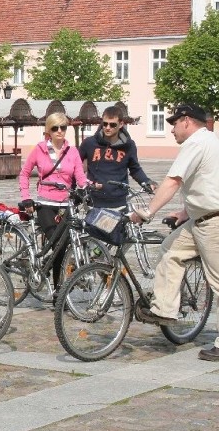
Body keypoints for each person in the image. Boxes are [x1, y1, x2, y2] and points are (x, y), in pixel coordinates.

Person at [130, 104, 219, 362]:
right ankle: (165, 309)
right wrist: (184, 212)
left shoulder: (195, 143)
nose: (171, 129)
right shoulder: (210, 141)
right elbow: (208, 184)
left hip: (213, 223)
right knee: (170, 249)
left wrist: (148, 211)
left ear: (187, 121)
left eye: (174, 123)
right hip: (200, 219)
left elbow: (173, 181)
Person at [19, 112, 88, 298]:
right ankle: (57, 285)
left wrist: (87, 188)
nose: (60, 131)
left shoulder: (72, 151)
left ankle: (59, 290)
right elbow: (24, 173)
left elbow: (80, 177)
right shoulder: (40, 149)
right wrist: (26, 197)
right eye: (55, 128)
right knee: (57, 243)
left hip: (65, 204)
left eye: (63, 127)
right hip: (45, 204)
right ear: (48, 130)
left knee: (63, 245)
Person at [79, 105, 156, 209]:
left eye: (112, 125)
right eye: (105, 124)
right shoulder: (89, 143)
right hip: (94, 201)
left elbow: (135, 169)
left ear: (121, 124)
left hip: (119, 202)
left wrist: (146, 182)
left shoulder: (129, 145)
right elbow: (76, 166)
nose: (107, 128)